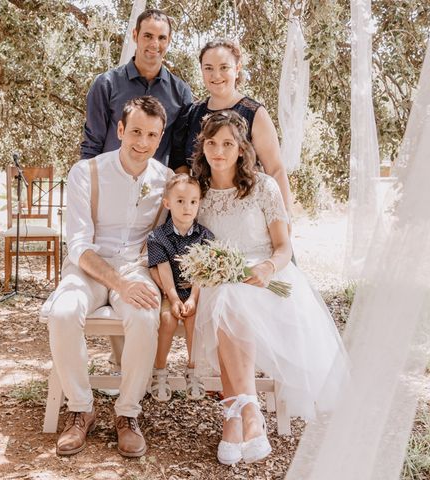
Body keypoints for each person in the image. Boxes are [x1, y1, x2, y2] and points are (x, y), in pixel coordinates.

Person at [190, 111, 348, 465]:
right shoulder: (197, 190)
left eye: (228, 143)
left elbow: (284, 248)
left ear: (242, 148)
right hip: (218, 282)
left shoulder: (264, 187)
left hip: (269, 279)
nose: (218, 151)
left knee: (229, 300)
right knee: (226, 297)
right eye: (211, 143)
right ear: (202, 147)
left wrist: (265, 268)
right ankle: (248, 414)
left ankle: (236, 414)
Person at [44, 96, 172, 458]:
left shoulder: (166, 180)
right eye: (135, 132)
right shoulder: (86, 172)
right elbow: (79, 246)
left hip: (137, 267)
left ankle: (128, 413)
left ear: (160, 137)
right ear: (119, 130)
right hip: (89, 267)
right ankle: (81, 408)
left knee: (145, 315)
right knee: (63, 312)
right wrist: (119, 284)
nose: (142, 143)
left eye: (151, 135)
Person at [170, 38, 294, 231]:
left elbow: (276, 169)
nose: (216, 75)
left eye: (224, 67)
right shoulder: (191, 114)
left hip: (247, 217)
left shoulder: (255, 113)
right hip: (203, 216)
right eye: (208, 68)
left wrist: (285, 218)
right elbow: (181, 168)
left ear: (237, 69)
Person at [80, 8, 192, 166]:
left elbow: (178, 155)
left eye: (161, 38)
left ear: (169, 41)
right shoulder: (106, 84)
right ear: (135, 35)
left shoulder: (181, 93)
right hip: (109, 184)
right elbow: (92, 145)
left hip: (156, 189)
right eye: (148, 36)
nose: (154, 44)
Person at [146, 174, 214, 402]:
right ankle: (160, 371)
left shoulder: (205, 236)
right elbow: (163, 270)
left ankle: (193, 370)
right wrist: (174, 298)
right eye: (180, 201)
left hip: (197, 291)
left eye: (193, 202)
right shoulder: (158, 236)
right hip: (170, 289)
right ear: (167, 203)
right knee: (167, 319)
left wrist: (193, 299)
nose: (188, 207)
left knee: (194, 320)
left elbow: (203, 273)